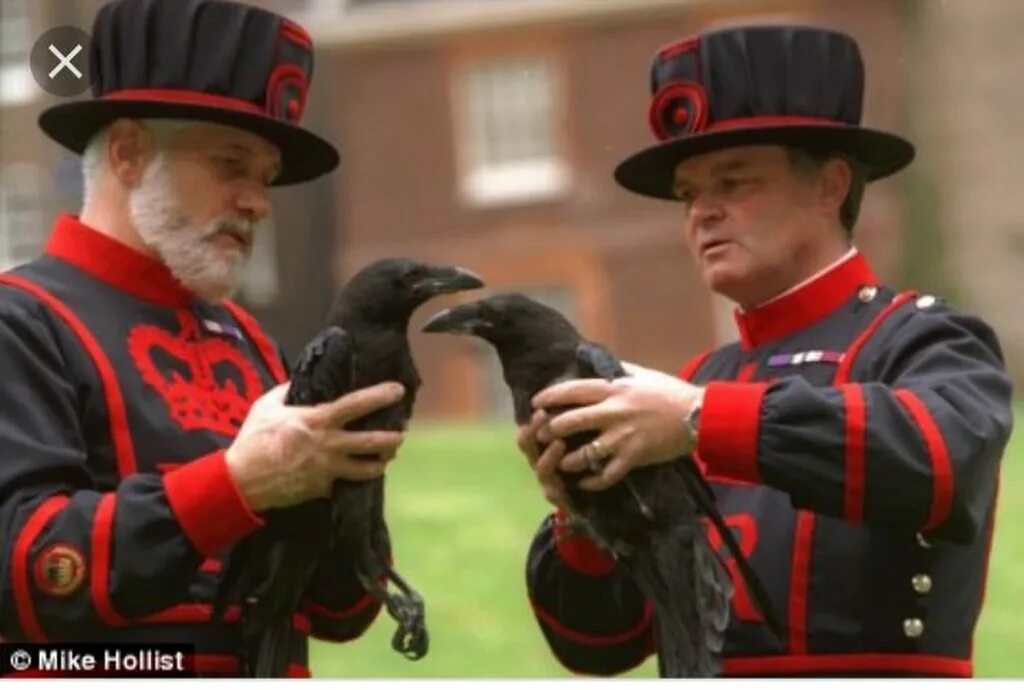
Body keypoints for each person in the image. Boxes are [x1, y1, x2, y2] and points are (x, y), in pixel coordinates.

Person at [519, 24, 1013, 677]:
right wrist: (582, 514)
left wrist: (697, 421)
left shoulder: (925, 340)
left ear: (831, 185)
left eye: (734, 182)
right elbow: (600, 643)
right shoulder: (697, 380)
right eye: (690, 194)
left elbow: (935, 460)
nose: (703, 213)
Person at [0, 0, 406, 677]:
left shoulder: (257, 345)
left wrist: (354, 484)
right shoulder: (21, 321)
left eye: (266, 177)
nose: (258, 201)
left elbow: (339, 612)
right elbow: (24, 573)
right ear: (129, 152)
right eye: (231, 164)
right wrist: (237, 486)